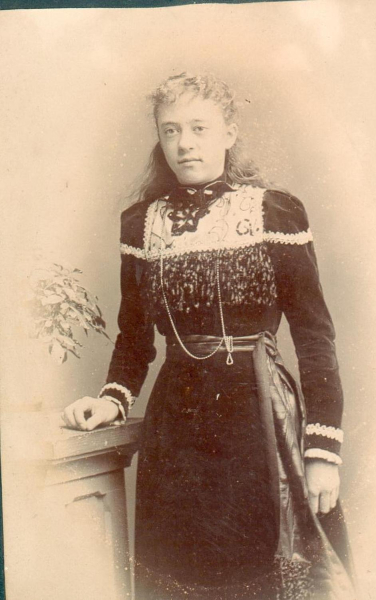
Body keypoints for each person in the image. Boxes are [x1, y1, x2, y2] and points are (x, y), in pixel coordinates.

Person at [63, 73, 355, 599]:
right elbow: (134, 340)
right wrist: (111, 400)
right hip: (177, 432)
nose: (185, 143)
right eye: (171, 130)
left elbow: (315, 338)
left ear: (229, 132)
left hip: (260, 422)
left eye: (199, 128)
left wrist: (321, 453)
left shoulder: (274, 211)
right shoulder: (139, 226)